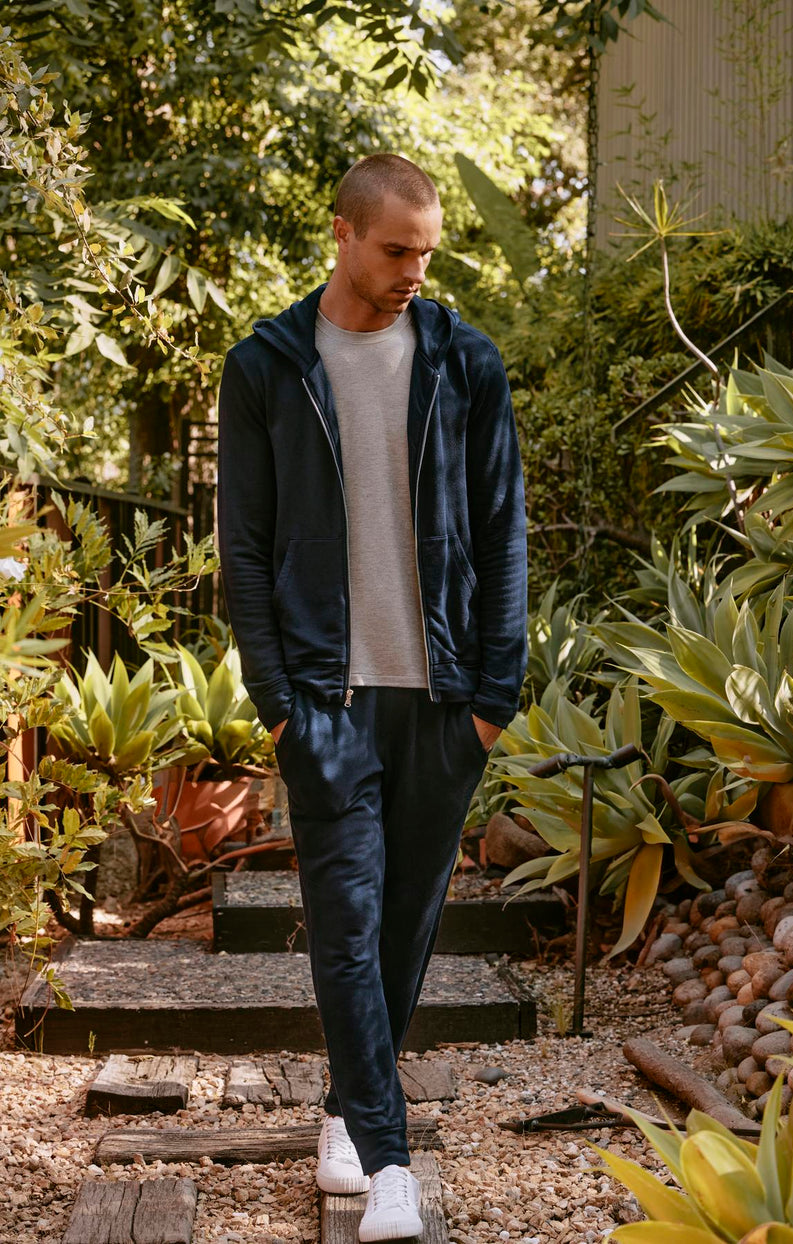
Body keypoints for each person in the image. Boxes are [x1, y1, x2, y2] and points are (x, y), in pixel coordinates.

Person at [216, 153, 527, 1241]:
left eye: (426, 253)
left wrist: (494, 696)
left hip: (442, 700)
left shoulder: (463, 361)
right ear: (341, 234)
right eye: (396, 250)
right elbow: (243, 552)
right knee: (345, 922)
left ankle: (351, 1107)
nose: (412, 270)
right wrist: (277, 703)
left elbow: (502, 532)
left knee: (401, 923)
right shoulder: (265, 366)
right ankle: (389, 1159)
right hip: (324, 695)